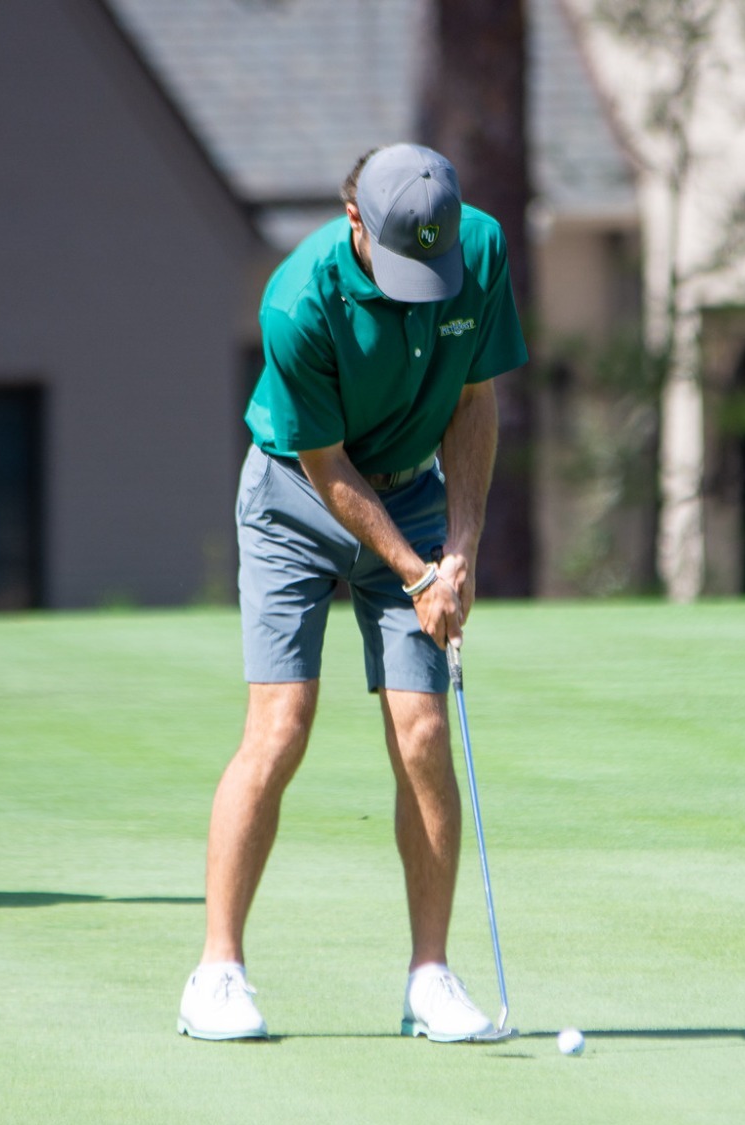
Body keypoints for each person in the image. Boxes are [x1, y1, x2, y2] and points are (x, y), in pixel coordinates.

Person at [178, 144, 525, 1043]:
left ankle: (431, 977)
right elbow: (325, 466)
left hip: (414, 490)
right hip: (297, 496)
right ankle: (216, 972)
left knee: (423, 731)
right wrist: (414, 571)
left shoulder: (477, 253)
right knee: (281, 723)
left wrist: (461, 551)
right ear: (354, 221)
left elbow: (476, 402)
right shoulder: (298, 301)